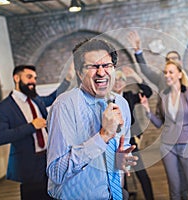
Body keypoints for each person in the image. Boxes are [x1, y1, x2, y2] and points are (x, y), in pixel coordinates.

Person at [128, 21, 188, 200]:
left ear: (180, 66)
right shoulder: (163, 82)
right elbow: (146, 71)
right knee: (177, 178)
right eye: (169, 61)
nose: (172, 64)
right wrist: (138, 51)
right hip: (170, 139)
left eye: (175, 60)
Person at [46, 38, 138, 199]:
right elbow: (56, 172)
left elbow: (123, 148)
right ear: (79, 72)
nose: (101, 72)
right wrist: (103, 136)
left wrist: (121, 160)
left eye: (107, 65)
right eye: (93, 66)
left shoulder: (121, 103)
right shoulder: (64, 106)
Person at [0, 64, 74, 200]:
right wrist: (31, 126)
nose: (33, 82)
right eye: (29, 77)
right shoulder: (3, 108)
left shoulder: (36, 100)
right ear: (16, 78)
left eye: (35, 78)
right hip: (29, 166)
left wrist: (67, 79)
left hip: (48, 160)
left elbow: (53, 97)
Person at [140, 60, 188, 200]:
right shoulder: (163, 95)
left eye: (171, 72)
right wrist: (148, 111)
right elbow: (159, 123)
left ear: (179, 74)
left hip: (186, 143)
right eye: (165, 72)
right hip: (167, 146)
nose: (167, 75)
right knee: (174, 188)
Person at [112, 66, 154, 200]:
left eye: (121, 79)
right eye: (116, 79)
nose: (118, 82)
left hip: (131, 142)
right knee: (121, 178)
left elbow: (148, 92)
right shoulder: (108, 99)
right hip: (114, 145)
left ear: (125, 82)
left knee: (142, 174)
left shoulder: (129, 96)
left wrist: (136, 76)